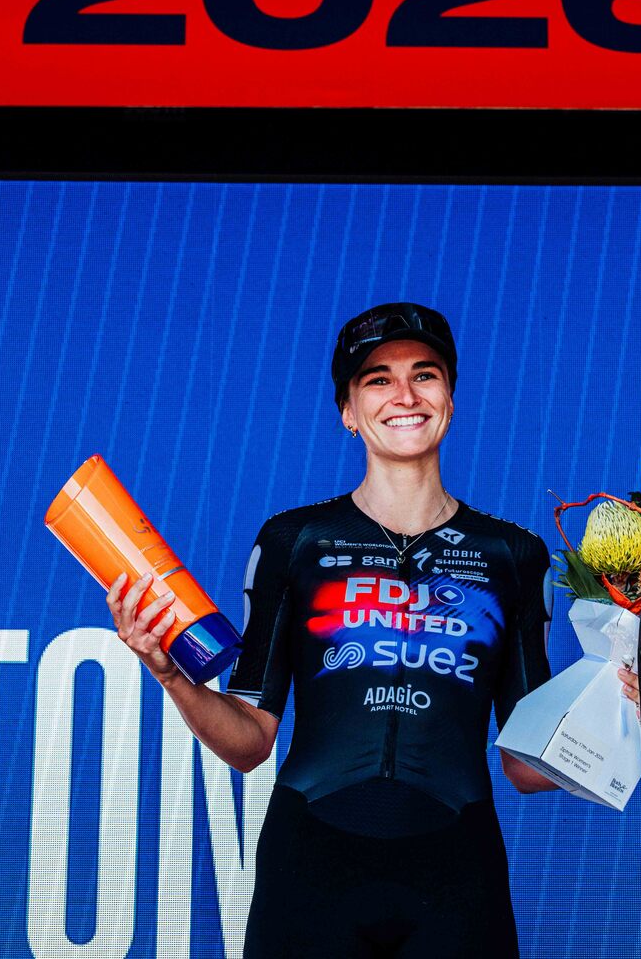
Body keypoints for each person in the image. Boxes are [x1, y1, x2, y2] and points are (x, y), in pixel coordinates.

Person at [111, 303, 614, 958]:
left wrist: (626, 700)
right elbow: (248, 742)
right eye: (377, 379)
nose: (404, 395)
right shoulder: (296, 541)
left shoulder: (511, 554)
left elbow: (522, 762)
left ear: (450, 397)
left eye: (424, 375)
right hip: (312, 864)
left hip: (456, 869)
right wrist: (168, 672)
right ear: (348, 410)